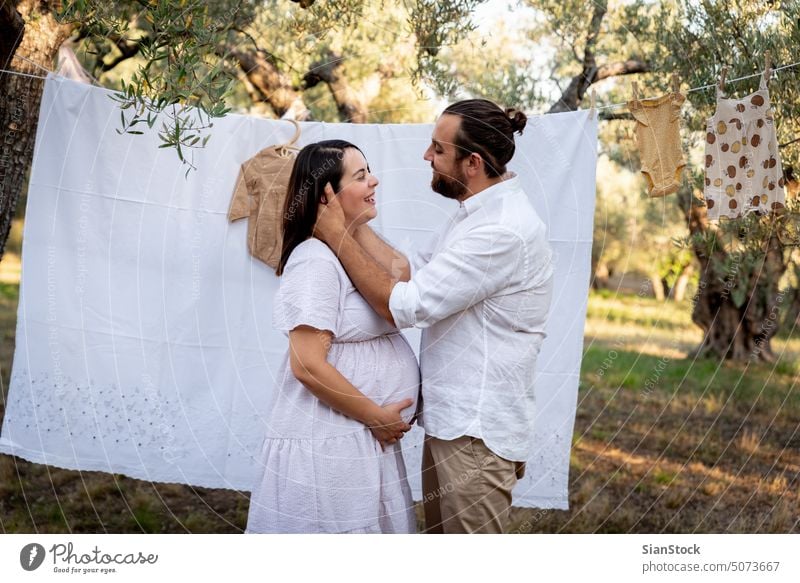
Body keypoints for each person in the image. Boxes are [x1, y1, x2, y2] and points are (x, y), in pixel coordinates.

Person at [314, 99, 554, 533]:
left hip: (475, 436)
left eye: (437, 149)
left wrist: (334, 233)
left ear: (473, 163)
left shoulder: (501, 230)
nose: (427, 156)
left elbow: (406, 304)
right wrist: (352, 221)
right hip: (453, 427)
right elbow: (410, 272)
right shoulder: (473, 217)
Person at [245, 140, 420, 534]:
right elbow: (306, 363)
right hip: (329, 440)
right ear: (327, 193)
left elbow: (401, 280)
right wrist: (376, 418)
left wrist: (345, 227)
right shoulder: (314, 261)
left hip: (355, 438)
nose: (374, 180)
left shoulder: (347, 249)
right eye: (360, 176)